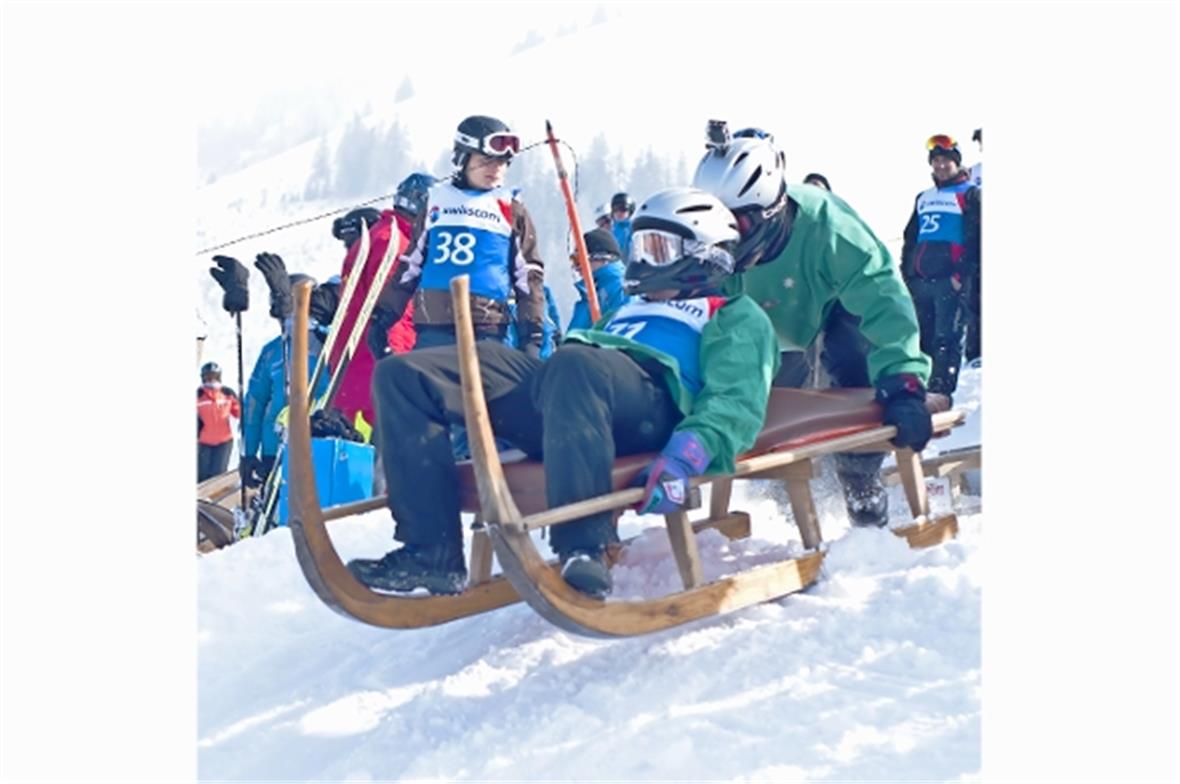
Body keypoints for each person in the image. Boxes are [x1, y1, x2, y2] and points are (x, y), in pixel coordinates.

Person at [347, 187, 780, 599]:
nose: (644, 260)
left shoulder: (733, 313)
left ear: (704, 255)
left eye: (658, 248)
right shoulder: (627, 308)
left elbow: (735, 400)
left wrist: (687, 455)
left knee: (577, 363)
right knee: (404, 374)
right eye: (640, 247)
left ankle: (585, 544)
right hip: (571, 395)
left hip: (648, 407)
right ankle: (430, 551)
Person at [692, 121, 933, 529]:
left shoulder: (829, 225)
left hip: (834, 305)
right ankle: (784, 493)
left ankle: (862, 483)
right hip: (767, 324)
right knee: (768, 397)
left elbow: (885, 300)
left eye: (740, 224)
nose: (730, 236)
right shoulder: (714, 249)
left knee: (853, 364)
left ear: (770, 210)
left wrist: (904, 380)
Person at [367, 115, 547, 357]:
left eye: (503, 163)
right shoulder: (436, 202)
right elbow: (410, 267)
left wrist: (532, 335)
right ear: (463, 158)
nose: (496, 169)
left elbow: (529, 276)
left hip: (487, 329)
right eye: (486, 161)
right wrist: (384, 317)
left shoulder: (511, 209)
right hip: (433, 328)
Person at [326, 173, 431, 438]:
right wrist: (395, 359)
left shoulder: (380, 236)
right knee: (385, 443)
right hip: (373, 365)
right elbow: (389, 311)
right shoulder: (394, 244)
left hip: (357, 365)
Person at [238, 259, 336, 488]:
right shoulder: (272, 351)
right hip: (274, 450)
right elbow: (254, 402)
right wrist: (248, 453)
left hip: (317, 442)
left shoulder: (327, 341)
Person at [899, 134, 981, 396]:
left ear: (957, 163)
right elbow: (911, 238)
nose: (941, 166)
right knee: (921, 340)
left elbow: (977, 239)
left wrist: (963, 275)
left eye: (946, 161)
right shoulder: (923, 197)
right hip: (921, 282)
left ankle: (942, 394)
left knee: (946, 340)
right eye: (936, 161)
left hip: (950, 281)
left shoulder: (970, 194)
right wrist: (907, 274)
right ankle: (921, 393)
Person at [566, 227, 635, 331]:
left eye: (578, 260)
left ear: (601, 257)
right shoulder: (590, 293)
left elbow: (623, 333)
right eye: (574, 261)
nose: (577, 268)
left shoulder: (622, 290)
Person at [197, 361, 241, 481]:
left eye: (214, 377)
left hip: (224, 442)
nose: (211, 380)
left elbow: (238, 413)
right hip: (203, 443)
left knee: (218, 476)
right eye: (208, 377)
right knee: (201, 477)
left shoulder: (227, 393)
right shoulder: (198, 395)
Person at [609, 190, 636, 261]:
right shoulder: (612, 231)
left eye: (623, 209)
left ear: (630, 211)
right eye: (616, 210)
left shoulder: (634, 228)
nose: (619, 213)